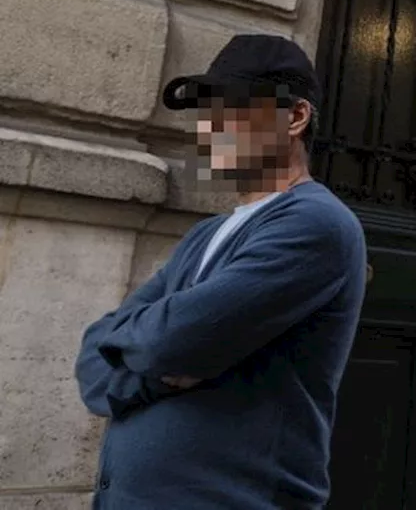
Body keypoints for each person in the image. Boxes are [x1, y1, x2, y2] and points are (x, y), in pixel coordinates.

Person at [75, 33, 367, 509]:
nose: (208, 128)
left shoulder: (316, 223)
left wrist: (146, 354)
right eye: (205, 113)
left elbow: (171, 339)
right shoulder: (205, 234)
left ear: (294, 117)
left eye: (230, 109)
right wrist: (150, 370)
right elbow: (93, 358)